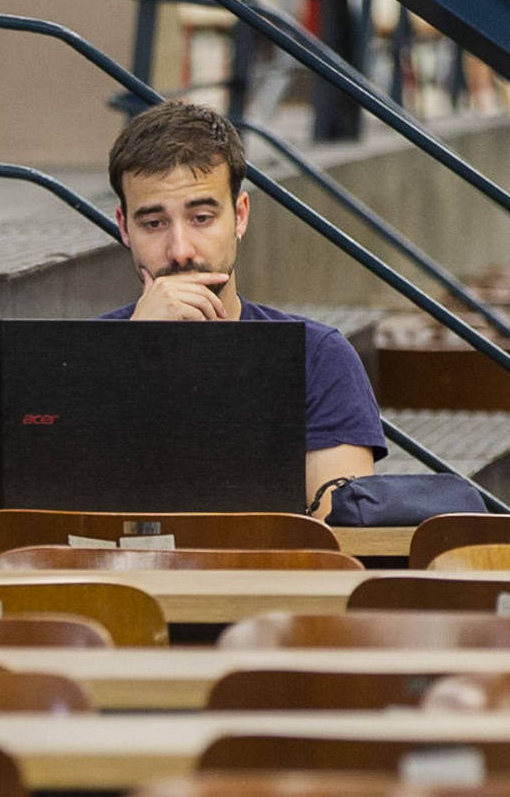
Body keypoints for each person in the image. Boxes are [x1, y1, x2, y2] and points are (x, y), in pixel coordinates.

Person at [102, 101, 385, 513]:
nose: (180, 251)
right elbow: (54, 533)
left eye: (201, 217)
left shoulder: (316, 358)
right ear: (124, 227)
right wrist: (135, 357)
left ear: (239, 216)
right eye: (153, 224)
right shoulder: (80, 359)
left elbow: (336, 538)